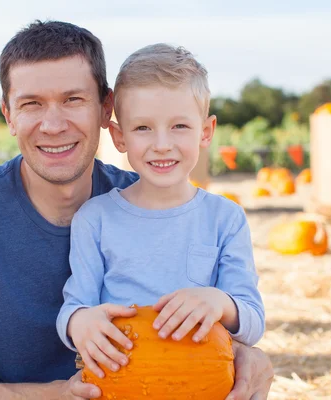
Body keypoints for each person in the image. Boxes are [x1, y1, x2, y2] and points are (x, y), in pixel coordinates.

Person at [0, 20, 274, 400]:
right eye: (31, 104)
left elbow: (225, 324)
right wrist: (54, 393)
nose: (53, 124)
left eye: (73, 99)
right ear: (8, 114)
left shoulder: (159, 201)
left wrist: (249, 357)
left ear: (105, 108)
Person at [56, 43, 265, 380]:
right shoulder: (95, 218)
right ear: (120, 137)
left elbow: (253, 322)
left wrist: (219, 302)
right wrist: (79, 322)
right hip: (123, 382)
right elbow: (75, 304)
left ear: (206, 132)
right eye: (143, 128)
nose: (162, 143)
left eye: (179, 126)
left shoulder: (225, 218)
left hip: (200, 383)